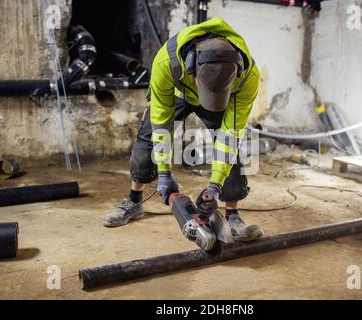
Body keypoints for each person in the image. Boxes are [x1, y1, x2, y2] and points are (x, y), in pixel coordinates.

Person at [103, 17, 262, 242]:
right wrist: (165, 174)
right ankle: (134, 200)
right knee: (149, 137)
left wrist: (215, 185)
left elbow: (229, 137)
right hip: (177, 93)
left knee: (230, 147)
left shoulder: (249, 78)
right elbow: (161, 123)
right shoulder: (166, 63)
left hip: (225, 98)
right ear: (192, 70)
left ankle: (232, 215)